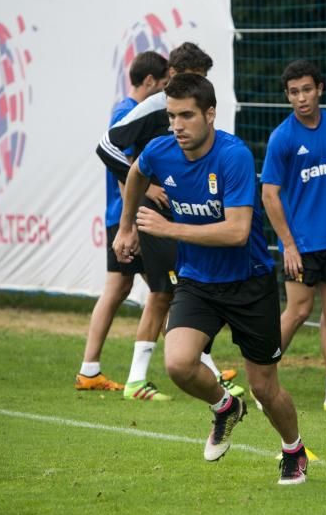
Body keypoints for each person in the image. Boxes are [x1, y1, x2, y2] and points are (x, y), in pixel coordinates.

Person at [113, 72, 309, 484]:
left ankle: (293, 448)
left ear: (211, 113)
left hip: (248, 282)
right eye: (171, 116)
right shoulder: (159, 151)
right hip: (197, 281)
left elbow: (237, 232)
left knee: (264, 388)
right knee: (179, 363)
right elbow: (135, 174)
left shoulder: (233, 156)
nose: (177, 126)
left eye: (186, 115)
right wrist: (127, 226)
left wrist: (169, 229)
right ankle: (223, 407)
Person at [95, 42, 244, 399]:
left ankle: (188, 368)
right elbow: (107, 146)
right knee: (169, 292)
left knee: (171, 292)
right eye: (196, 78)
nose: (200, 88)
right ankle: (140, 378)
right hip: (158, 217)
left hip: (176, 215)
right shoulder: (156, 106)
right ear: (174, 76)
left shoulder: (191, 117)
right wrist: (146, 190)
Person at [261, 60, 326, 413]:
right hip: (301, 244)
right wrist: (288, 244)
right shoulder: (283, 137)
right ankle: (263, 382)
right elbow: (269, 195)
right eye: (294, 92)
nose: (301, 98)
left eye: (307, 90)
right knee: (297, 311)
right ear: (288, 96)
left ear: (320, 88)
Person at [76, 51, 168, 395]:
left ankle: (90, 369)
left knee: (148, 290)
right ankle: (93, 370)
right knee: (159, 290)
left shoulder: (125, 109)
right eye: (162, 84)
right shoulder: (128, 113)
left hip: (125, 217)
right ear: (149, 82)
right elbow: (121, 165)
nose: (165, 91)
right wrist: (137, 207)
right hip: (126, 218)